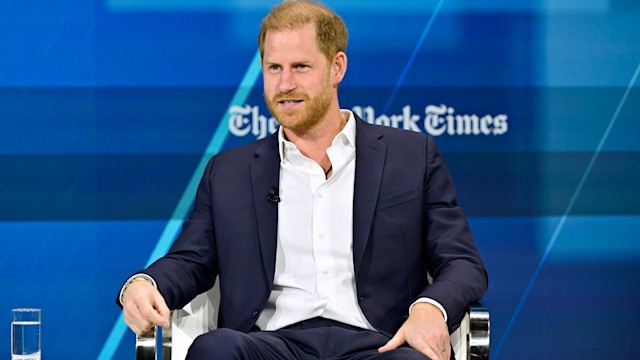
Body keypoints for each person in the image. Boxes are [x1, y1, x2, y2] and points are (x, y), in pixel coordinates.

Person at [117, 1, 488, 359]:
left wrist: (430, 307)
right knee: (215, 349)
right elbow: (191, 260)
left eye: (301, 67)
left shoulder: (411, 157)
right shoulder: (229, 171)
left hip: (379, 344)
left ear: (337, 67)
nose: (285, 83)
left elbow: (462, 262)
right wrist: (144, 284)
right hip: (270, 344)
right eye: (274, 68)